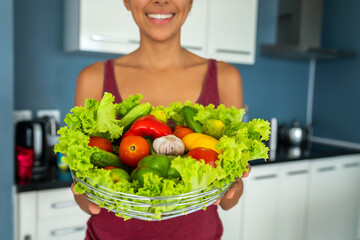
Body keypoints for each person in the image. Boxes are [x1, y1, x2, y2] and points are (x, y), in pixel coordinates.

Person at [72, 0, 251, 239]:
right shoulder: (92, 78)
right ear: (126, 1)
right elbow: (82, 184)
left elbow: (227, 202)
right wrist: (84, 195)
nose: (161, 0)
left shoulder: (226, 79)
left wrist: (233, 189)